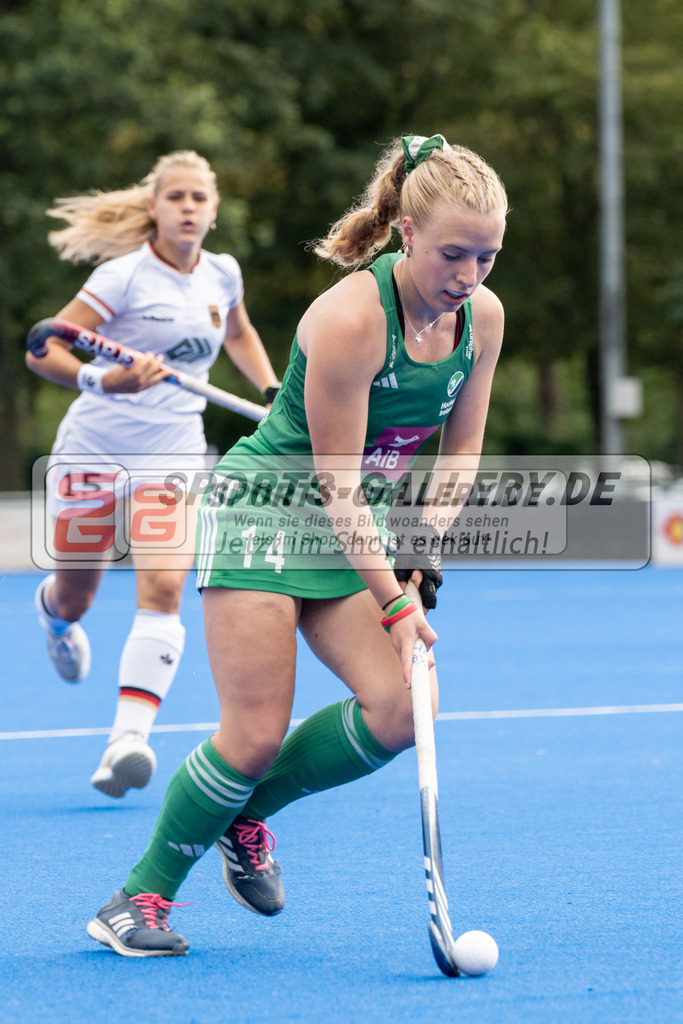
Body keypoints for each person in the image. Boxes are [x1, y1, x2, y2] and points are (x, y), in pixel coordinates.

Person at [86, 133, 508, 957]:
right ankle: (136, 898)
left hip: (358, 525)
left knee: (398, 714)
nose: (467, 276)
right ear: (407, 235)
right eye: (452, 254)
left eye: (486, 257)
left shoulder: (479, 320)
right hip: (268, 511)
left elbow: (460, 451)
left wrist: (420, 546)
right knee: (252, 735)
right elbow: (335, 486)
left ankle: (243, 817)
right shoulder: (351, 318)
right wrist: (392, 599)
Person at [26, 150, 280, 800]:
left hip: (171, 452)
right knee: (78, 592)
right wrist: (104, 377)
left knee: (165, 585)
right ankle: (54, 617)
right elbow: (45, 346)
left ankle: (127, 740)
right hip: (94, 450)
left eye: (199, 197)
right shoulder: (123, 277)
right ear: (155, 208)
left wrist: (272, 386)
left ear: (214, 209)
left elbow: (240, 334)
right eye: (177, 197)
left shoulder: (222, 274)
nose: (189, 207)